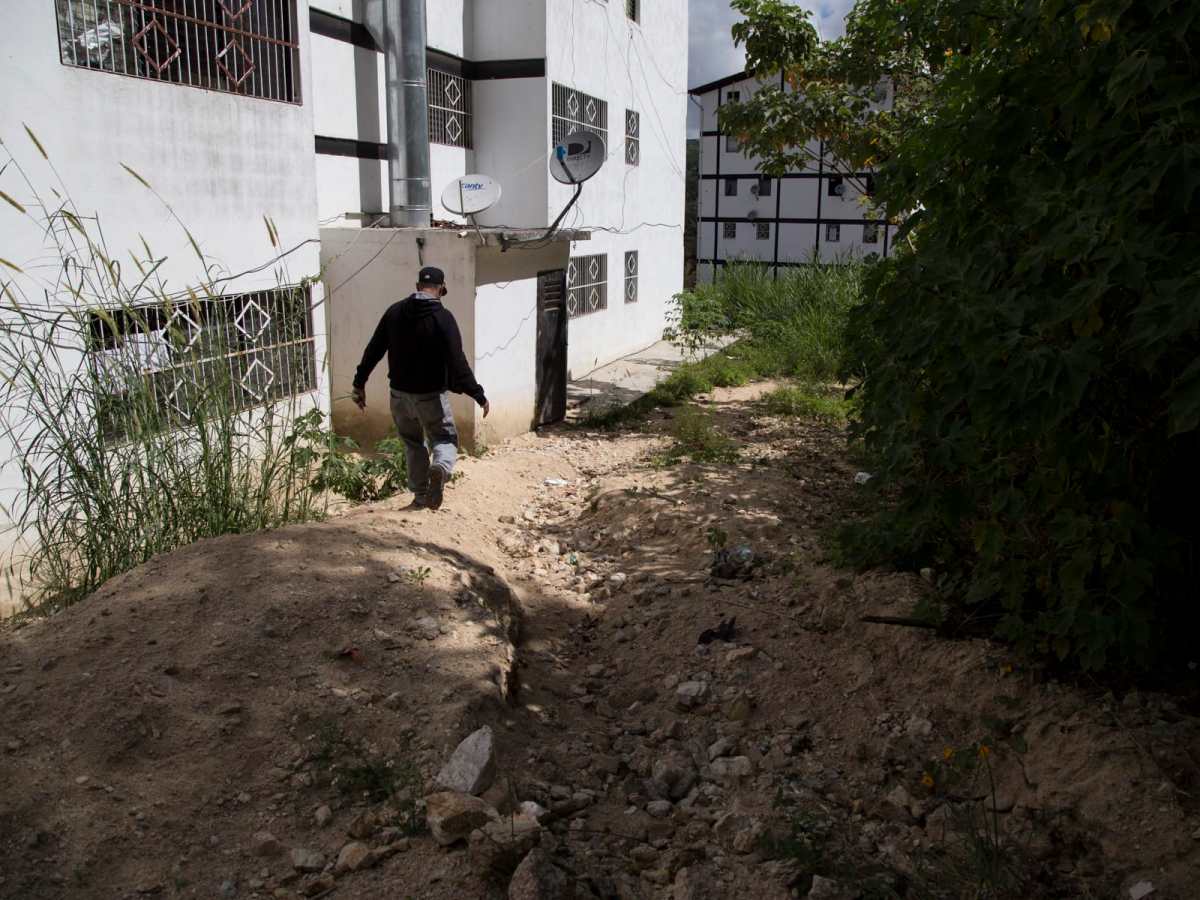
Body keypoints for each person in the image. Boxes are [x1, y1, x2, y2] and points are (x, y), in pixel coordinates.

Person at [352, 266, 489, 510]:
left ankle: (420, 496)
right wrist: (478, 394)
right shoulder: (443, 318)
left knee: (412, 443)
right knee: (444, 438)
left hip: (398, 395)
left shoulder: (394, 312)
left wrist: (359, 384)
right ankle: (440, 468)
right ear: (442, 289)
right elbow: (458, 361)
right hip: (430, 396)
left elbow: (374, 349)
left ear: (417, 286)